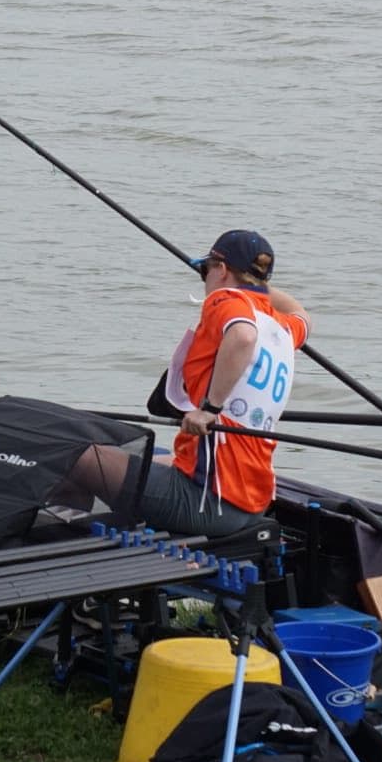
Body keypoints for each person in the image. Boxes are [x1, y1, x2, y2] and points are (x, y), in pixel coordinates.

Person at [137, 229, 310, 537]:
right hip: (250, 502)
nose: (204, 278)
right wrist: (257, 287)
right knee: (137, 453)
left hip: (206, 500)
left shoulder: (225, 301)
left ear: (221, 270)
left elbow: (243, 336)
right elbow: (302, 315)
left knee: (76, 458)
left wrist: (209, 408)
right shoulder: (281, 328)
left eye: (206, 269)